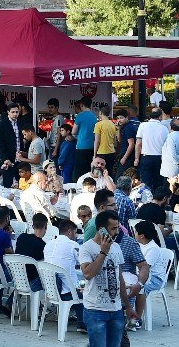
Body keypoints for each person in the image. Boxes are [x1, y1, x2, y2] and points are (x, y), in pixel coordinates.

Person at [79, 211, 128, 347]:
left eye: (118, 227)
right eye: (113, 228)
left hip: (116, 309)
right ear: (101, 229)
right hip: (95, 310)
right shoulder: (86, 248)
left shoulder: (116, 247)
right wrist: (103, 252)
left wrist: (128, 306)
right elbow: (88, 274)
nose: (117, 232)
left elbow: (120, 278)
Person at [136, 107, 170, 192]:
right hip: (160, 158)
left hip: (146, 157)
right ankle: (157, 201)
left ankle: (146, 202)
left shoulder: (143, 125)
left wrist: (136, 158)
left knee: (145, 183)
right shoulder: (164, 128)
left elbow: (138, 143)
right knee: (158, 182)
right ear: (160, 117)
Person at [94, 106, 119, 176]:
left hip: (101, 152)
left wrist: (94, 154)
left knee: (100, 173)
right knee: (110, 173)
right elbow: (114, 141)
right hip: (111, 151)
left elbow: (97, 141)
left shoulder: (98, 124)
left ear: (100, 112)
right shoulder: (113, 124)